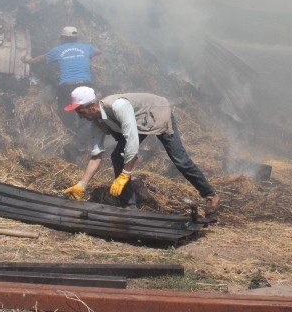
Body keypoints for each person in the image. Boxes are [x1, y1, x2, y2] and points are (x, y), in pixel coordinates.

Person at [61, 86, 221, 217]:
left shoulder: (118, 106)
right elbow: (96, 155)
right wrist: (82, 184)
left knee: (180, 160)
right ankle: (129, 206)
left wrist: (126, 174)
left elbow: (132, 141)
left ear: (92, 106)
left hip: (156, 112)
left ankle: (211, 195)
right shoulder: (96, 121)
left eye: (80, 112)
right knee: (117, 156)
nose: (80, 117)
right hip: (137, 121)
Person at [22, 26, 100, 138]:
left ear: (63, 38)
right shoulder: (86, 48)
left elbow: (38, 60)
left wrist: (28, 60)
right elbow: (98, 51)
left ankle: (72, 135)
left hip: (68, 87)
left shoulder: (58, 50)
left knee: (65, 114)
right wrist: (86, 54)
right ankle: (83, 141)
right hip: (86, 85)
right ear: (76, 38)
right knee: (87, 117)